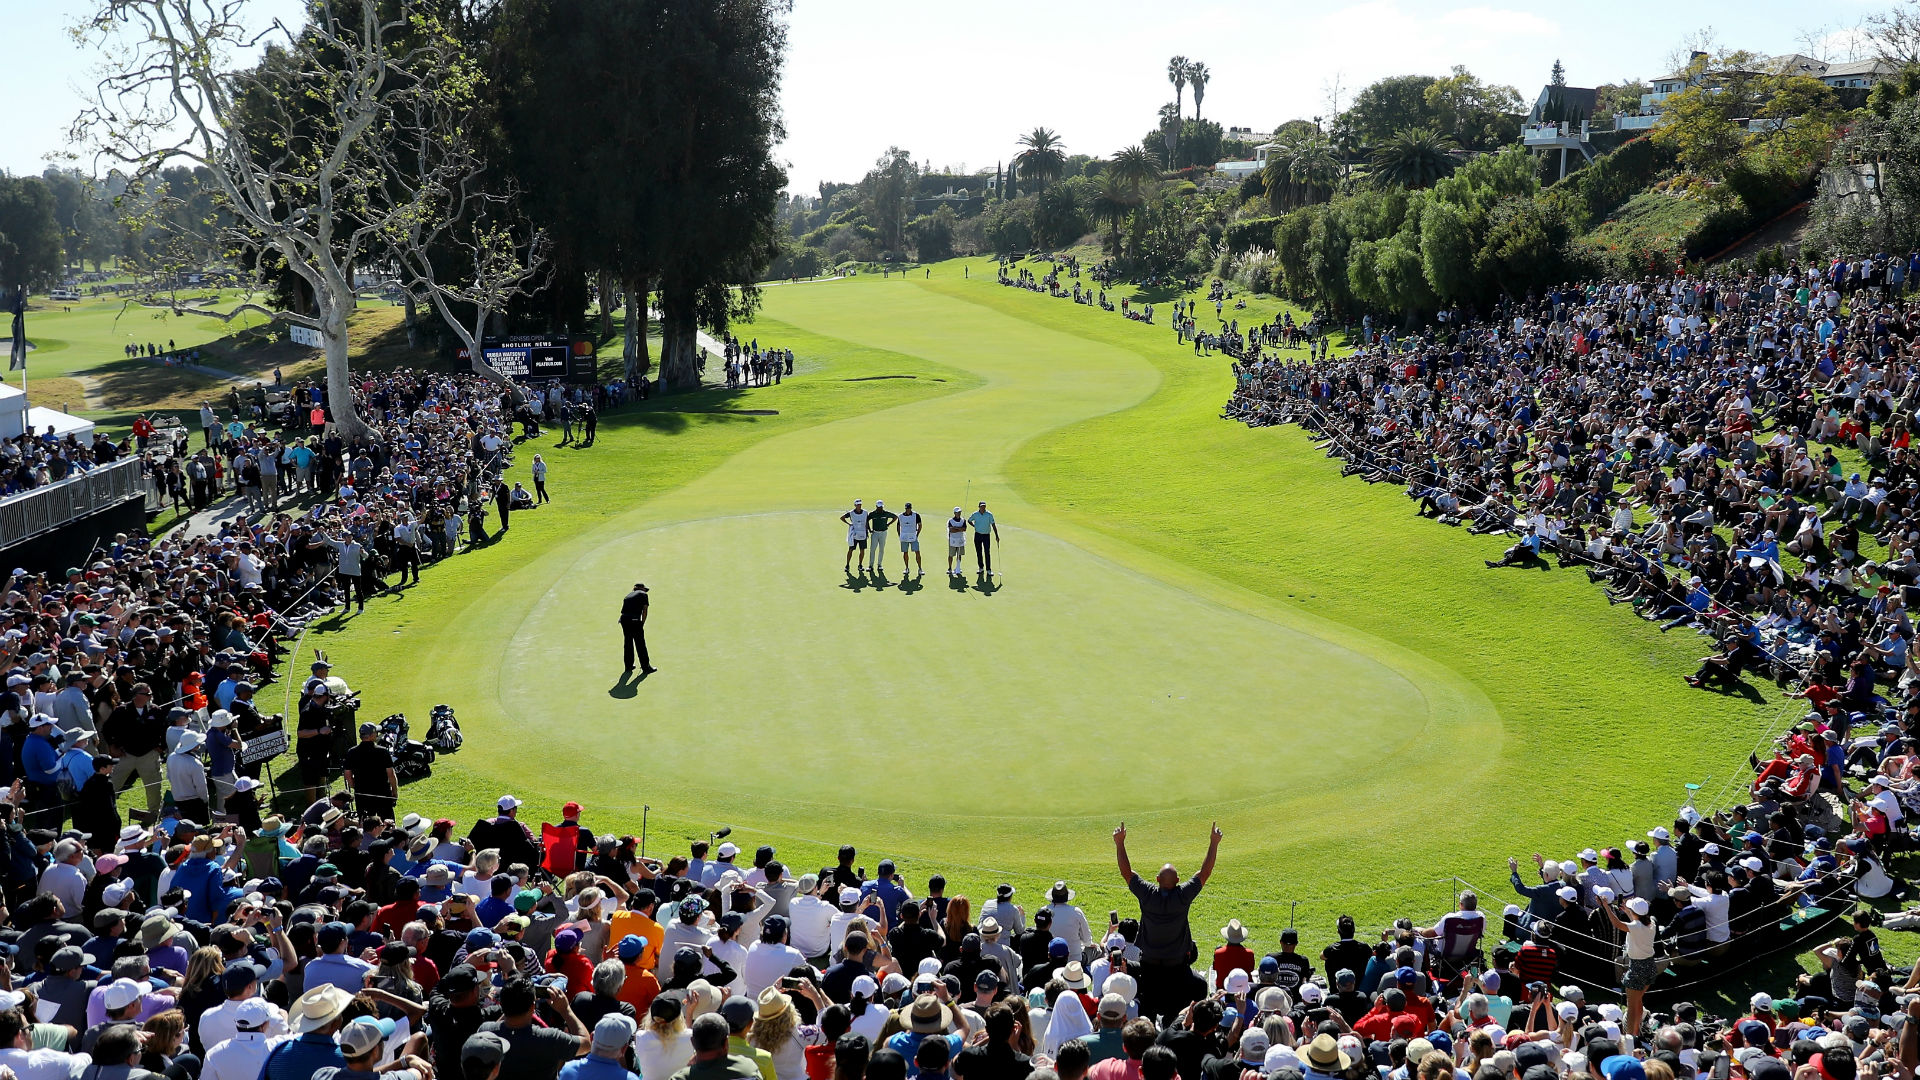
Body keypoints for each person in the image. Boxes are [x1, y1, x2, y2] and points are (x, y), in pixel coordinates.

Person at [1114, 822, 1221, 1022]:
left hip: (1149, 967)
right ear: (1178, 880)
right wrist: (1214, 843)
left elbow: (1126, 872)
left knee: (1147, 1015)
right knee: (1174, 1015)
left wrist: (1119, 843)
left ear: (1156, 879)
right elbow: (1204, 872)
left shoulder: (1147, 894)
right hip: (1176, 969)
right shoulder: (1182, 896)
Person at [341, 722, 398, 820]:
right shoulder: (382, 751)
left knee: (365, 824)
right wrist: (394, 791)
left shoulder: (352, 752)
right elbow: (391, 774)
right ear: (372, 735)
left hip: (362, 794)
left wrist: (354, 786)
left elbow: (347, 775)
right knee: (387, 824)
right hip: (382, 793)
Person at [620, 583, 655, 676]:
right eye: (644, 589)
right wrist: (642, 623)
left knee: (628, 643)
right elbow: (645, 610)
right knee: (640, 644)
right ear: (640, 588)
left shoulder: (628, 596)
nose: (645, 591)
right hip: (634, 621)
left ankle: (628, 666)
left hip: (624, 620)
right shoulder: (643, 595)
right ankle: (646, 667)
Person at [967, 503, 1000, 579]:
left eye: (984, 506)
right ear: (979, 507)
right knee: (979, 552)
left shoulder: (989, 514)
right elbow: (969, 520)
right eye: (982, 506)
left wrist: (997, 536)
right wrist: (974, 526)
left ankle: (988, 569)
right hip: (977, 535)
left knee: (987, 552)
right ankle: (981, 568)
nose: (983, 508)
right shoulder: (975, 514)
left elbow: (993, 525)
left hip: (986, 536)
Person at [866, 501, 897, 575]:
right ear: (876, 506)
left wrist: (888, 524)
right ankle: (871, 565)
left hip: (883, 533)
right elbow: (866, 521)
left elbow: (895, 517)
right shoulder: (872, 514)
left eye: (881, 507)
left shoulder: (886, 513)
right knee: (872, 549)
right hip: (875, 533)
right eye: (879, 507)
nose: (880, 508)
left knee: (881, 549)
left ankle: (879, 565)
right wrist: (869, 529)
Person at [896, 503, 925, 578]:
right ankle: (906, 568)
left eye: (909, 508)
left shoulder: (916, 515)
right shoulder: (900, 516)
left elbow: (920, 525)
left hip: (913, 536)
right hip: (904, 537)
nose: (908, 510)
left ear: (911, 508)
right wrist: (900, 535)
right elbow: (898, 526)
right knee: (905, 552)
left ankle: (920, 568)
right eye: (906, 508)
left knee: (917, 552)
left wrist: (917, 534)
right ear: (905, 509)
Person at [842, 501, 870, 574]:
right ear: (855, 505)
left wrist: (868, 531)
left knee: (862, 550)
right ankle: (847, 565)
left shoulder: (865, 512)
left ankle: (860, 565)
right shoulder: (851, 513)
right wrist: (849, 524)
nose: (859, 506)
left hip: (863, 534)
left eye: (860, 504)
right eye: (858, 505)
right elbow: (842, 518)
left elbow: (867, 522)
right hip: (854, 534)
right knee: (851, 550)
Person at [946, 508, 968, 577]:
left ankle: (958, 567)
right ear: (954, 513)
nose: (958, 514)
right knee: (951, 555)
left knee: (959, 554)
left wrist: (956, 528)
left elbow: (964, 529)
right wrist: (959, 529)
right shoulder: (950, 521)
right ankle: (950, 568)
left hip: (960, 540)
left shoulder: (963, 520)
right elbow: (951, 530)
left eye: (959, 512)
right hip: (952, 540)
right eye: (957, 512)